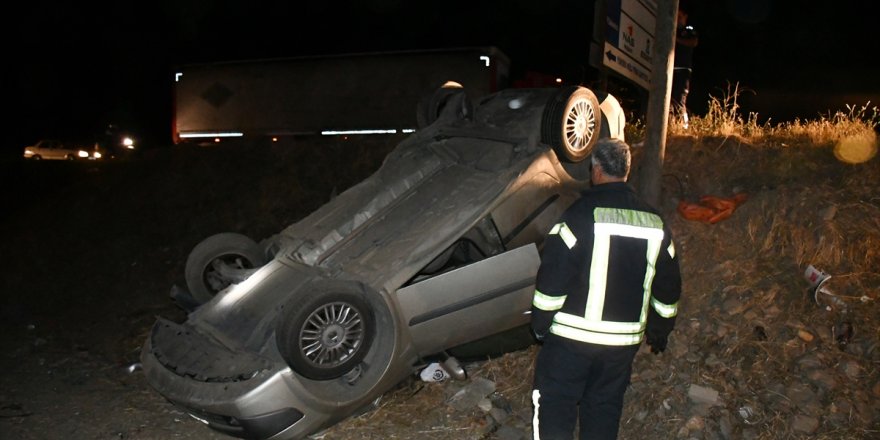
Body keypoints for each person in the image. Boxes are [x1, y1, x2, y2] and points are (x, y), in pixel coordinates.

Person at [530, 138, 682, 439]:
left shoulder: (577, 217)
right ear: (626, 171)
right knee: (603, 408)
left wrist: (540, 327)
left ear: (595, 169)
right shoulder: (655, 223)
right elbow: (668, 287)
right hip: (621, 347)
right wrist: (660, 330)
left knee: (555, 408)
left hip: (570, 342)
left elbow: (552, 281)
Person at [672, 6, 698, 128]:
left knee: (679, 97)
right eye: (676, 16)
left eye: (680, 16)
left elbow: (693, 42)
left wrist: (674, 39)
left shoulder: (688, 30)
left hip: (683, 69)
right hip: (670, 69)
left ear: (685, 17)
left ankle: (683, 126)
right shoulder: (671, 30)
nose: (678, 19)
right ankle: (672, 125)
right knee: (670, 99)